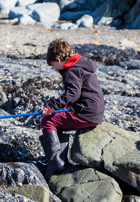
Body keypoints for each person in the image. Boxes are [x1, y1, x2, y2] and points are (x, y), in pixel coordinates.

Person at [39, 39, 105, 178]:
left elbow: (73, 94)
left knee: (48, 121)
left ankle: (55, 162)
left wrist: (52, 106)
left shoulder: (71, 69)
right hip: (94, 111)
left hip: (86, 112)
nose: (55, 69)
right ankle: (61, 161)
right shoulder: (81, 64)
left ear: (58, 59)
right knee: (58, 122)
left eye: (54, 65)